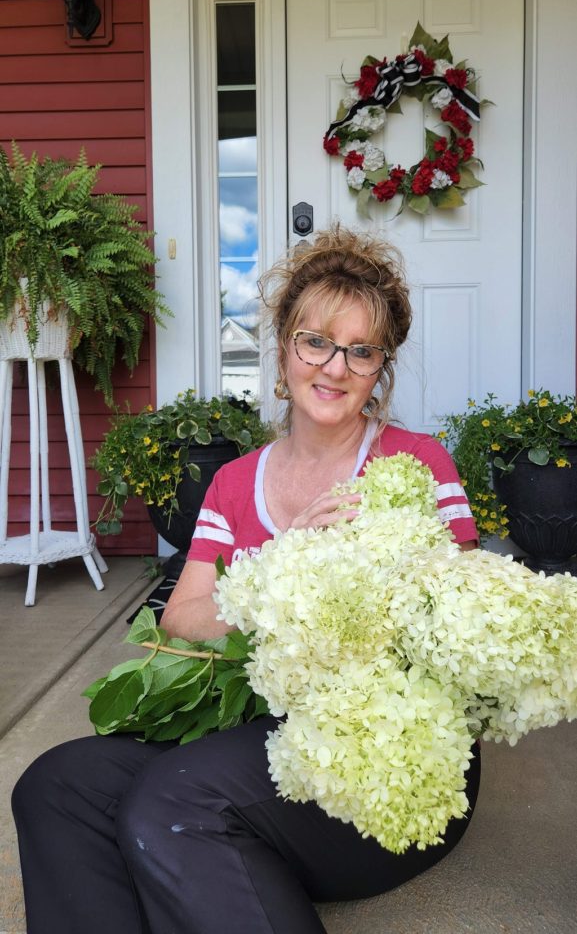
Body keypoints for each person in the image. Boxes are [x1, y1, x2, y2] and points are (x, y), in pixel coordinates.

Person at [12, 226, 480, 934]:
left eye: (361, 350)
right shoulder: (234, 483)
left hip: (379, 759)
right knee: (55, 786)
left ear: (380, 366)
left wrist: (353, 578)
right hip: (253, 731)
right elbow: (182, 620)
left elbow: (460, 622)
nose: (334, 366)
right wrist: (284, 563)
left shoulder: (414, 465)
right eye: (315, 340)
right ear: (284, 348)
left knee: (173, 800)